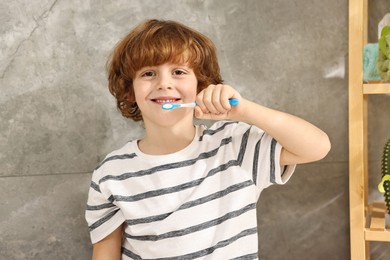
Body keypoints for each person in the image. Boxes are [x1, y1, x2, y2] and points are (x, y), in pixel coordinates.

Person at [85, 19, 331, 260]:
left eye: (178, 72)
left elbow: (317, 147)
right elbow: (105, 253)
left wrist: (242, 110)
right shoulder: (111, 173)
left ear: (201, 85)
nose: (164, 84)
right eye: (149, 73)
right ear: (130, 90)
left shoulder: (235, 147)